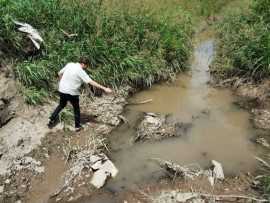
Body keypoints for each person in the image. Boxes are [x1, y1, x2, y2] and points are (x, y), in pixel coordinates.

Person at [48, 57, 112, 131]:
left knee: (62, 105)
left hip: (62, 89)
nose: (86, 68)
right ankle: (77, 126)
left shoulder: (70, 64)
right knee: (76, 108)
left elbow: (59, 73)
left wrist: (62, 82)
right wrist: (105, 88)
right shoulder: (80, 71)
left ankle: (52, 119)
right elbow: (90, 82)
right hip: (72, 92)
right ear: (83, 64)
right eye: (86, 66)